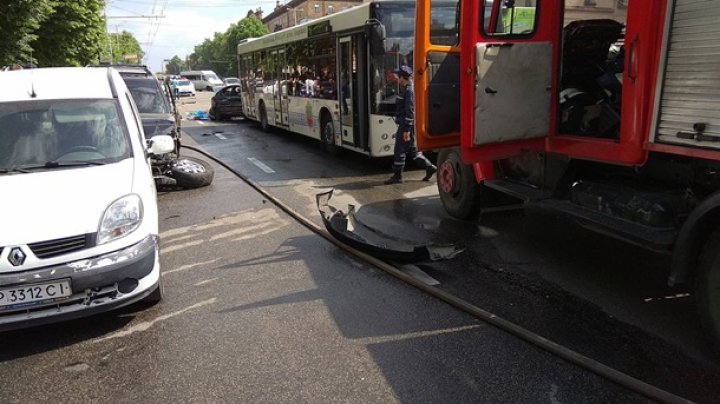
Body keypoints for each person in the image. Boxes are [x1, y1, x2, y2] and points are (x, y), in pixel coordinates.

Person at [384, 65, 437, 185]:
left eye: (399, 76)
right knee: (413, 151)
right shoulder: (407, 88)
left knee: (399, 150)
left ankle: (397, 176)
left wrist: (407, 129)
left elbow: (410, 110)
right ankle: (430, 167)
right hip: (406, 124)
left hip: (405, 125)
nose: (397, 79)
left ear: (403, 77)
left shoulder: (409, 90)